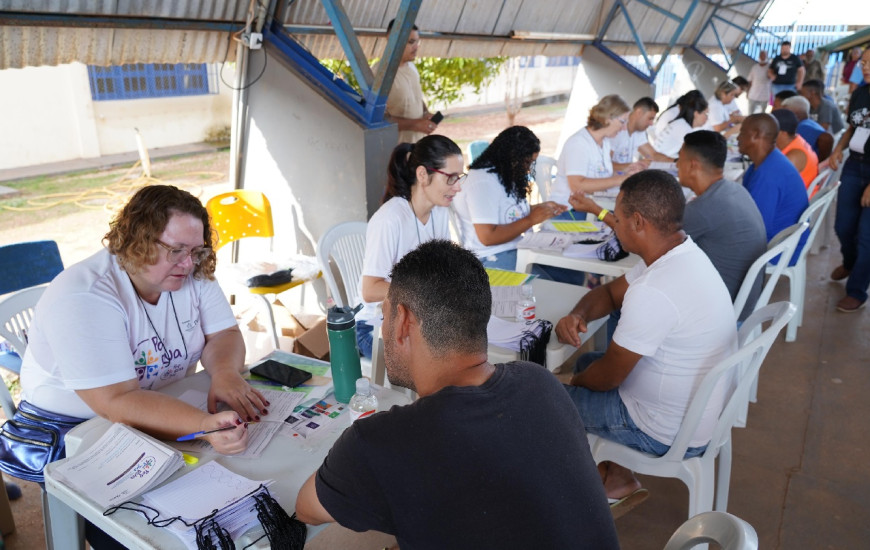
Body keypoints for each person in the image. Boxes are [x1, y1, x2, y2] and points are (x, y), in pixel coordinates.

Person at [296, 240, 620, 548]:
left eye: (384, 315)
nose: (383, 327)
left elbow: (307, 508)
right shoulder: (541, 382)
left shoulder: (378, 443)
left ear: (403, 321)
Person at [16, 185, 263, 546]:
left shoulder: (189, 271)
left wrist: (225, 372)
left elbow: (224, 333)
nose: (188, 263)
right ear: (137, 241)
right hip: (76, 430)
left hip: (157, 404)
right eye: (176, 250)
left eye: (197, 251)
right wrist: (202, 425)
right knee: (147, 532)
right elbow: (116, 402)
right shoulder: (84, 295)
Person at [556, 170, 737, 514]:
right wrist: (578, 313)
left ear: (638, 222)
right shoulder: (679, 253)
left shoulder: (655, 289)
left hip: (663, 430)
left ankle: (577, 492)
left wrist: (574, 384)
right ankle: (618, 478)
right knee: (585, 362)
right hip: (697, 412)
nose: (614, 224)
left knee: (548, 401)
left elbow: (609, 378)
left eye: (617, 218)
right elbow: (610, 294)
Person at [569, 131, 767, 321]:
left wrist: (595, 209)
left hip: (723, 307)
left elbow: (638, 234)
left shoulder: (705, 208)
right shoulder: (734, 189)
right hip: (740, 295)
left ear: (693, 165)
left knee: (624, 305)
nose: (676, 164)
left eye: (679, 159)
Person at [355, 135, 464, 358]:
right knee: (442, 357)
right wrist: (424, 291)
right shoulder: (390, 219)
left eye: (460, 177)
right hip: (374, 327)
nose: (458, 187)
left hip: (418, 317)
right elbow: (370, 290)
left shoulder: (439, 212)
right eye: (451, 178)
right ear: (422, 175)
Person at [452, 126, 584, 283]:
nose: (528, 169)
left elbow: (507, 212)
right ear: (512, 157)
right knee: (549, 287)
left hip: (516, 248)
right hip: (490, 257)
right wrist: (531, 219)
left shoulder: (505, 173)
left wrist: (541, 209)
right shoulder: (482, 183)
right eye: (527, 162)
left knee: (573, 274)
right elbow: (487, 237)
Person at [828, 48, 870, 312]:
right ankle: (851, 262)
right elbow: (853, 127)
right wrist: (838, 149)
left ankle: (856, 290)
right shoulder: (860, 93)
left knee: (867, 236)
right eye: (863, 62)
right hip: (854, 166)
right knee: (843, 225)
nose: (865, 66)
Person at [737, 114, 809, 262]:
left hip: (779, 249)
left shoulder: (768, 175)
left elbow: (755, 229)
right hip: (782, 240)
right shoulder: (768, 161)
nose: (738, 138)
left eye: (742, 133)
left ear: (756, 135)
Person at [551, 94, 645, 204]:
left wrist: (626, 173)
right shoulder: (578, 143)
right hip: (568, 207)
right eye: (622, 122)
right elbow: (576, 186)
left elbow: (602, 175)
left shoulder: (605, 142)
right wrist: (620, 179)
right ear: (608, 119)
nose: (624, 128)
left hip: (592, 204)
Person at [382, 19, 438, 143]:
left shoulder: (412, 67)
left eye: (417, 42)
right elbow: (378, 119)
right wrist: (414, 125)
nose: (416, 47)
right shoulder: (381, 74)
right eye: (411, 42)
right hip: (396, 150)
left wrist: (425, 113)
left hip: (417, 146)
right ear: (392, 40)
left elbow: (416, 97)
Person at [651, 91, 709, 159]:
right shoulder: (684, 128)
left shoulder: (681, 123)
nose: (707, 118)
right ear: (696, 113)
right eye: (706, 114)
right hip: (657, 161)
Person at [771, 108, 819, 189]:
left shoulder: (794, 156)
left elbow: (774, 185)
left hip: (800, 195)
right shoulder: (797, 139)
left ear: (783, 133)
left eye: (770, 130)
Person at [608, 96, 659, 163]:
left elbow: (652, 155)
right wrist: (634, 166)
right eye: (650, 118)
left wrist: (674, 162)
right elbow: (605, 164)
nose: (651, 124)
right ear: (639, 112)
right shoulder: (617, 130)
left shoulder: (639, 130)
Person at [783, 94, 834, 161]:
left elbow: (827, 138)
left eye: (785, 113)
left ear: (795, 114)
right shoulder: (810, 123)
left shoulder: (803, 127)